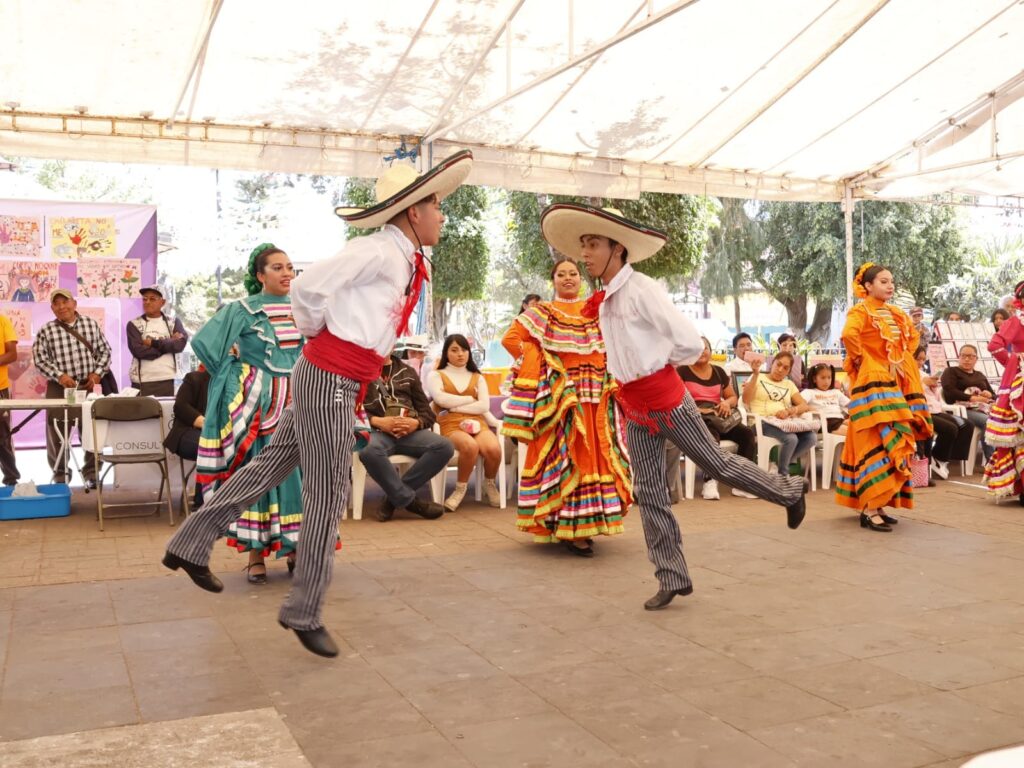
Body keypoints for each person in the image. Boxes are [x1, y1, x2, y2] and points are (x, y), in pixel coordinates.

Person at [163, 150, 474, 657]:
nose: (442, 215)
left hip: (335, 377)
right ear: (414, 211)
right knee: (327, 487)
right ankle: (303, 608)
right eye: (437, 205)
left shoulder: (401, 257)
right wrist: (314, 335)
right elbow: (308, 286)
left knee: (271, 466)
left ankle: (190, 542)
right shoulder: (378, 249)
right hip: (329, 374)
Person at [540, 203, 807, 611]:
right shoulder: (606, 297)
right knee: (648, 490)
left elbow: (688, 342)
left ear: (618, 248)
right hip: (633, 404)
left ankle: (788, 489)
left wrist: (660, 365)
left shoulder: (641, 289)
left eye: (592, 244)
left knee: (716, 464)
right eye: (584, 246)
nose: (585, 254)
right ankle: (671, 575)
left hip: (666, 399)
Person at [190, 244, 304, 584]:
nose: (286, 273)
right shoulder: (242, 309)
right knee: (259, 477)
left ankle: (297, 549)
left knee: (298, 477)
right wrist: (234, 374)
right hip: (260, 405)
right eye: (277, 267)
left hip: (299, 401)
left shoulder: (305, 306)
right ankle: (256, 556)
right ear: (260, 275)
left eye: (290, 267)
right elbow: (204, 344)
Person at [501, 258, 632, 556]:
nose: (568, 278)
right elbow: (511, 339)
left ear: (581, 279)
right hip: (563, 399)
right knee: (568, 456)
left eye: (573, 273)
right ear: (553, 280)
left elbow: (620, 340)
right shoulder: (542, 313)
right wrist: (544, 364)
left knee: (598, 455)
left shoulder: (597, 311)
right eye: (562, 274)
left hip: (597, 396)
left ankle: (588, 523)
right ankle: (566, 526)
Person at [836, 263, 933, 532]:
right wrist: (865, 361)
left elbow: (911, 340)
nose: (890, 286)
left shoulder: (896, 313)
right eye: (883, 281)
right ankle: (869, 508)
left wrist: (899, 362)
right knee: (872, 441)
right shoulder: (860, 311)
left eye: (891, 281)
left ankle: (878, 504)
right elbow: (848, 336)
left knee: (893, 440)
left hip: (896, 386)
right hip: (873, 387)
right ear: (867, 286)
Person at [31, 288, 111, 487]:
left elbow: (105, 352)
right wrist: (60, 376)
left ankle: (92, 473)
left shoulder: (91, 325)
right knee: (56, 430)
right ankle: (60, 475)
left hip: (88, 386)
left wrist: (97, 373)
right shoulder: (46, 330)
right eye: (56, 304)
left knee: (92, 428)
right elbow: (40, 359)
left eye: (65, 302)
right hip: (59, 387)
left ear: (74, 304)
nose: (61, 307)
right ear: (52, 308)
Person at [360, 347, 451, 521]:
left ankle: (393, 499)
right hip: (378, 432)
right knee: (369, 450)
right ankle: (411, 502)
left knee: (444, 446)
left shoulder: (407, 371)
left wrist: (415, 423)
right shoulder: (359, 372)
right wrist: (377, 421)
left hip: (409, 433)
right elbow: (350, 411)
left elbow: (427, 413)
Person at [427, 334, 502, 511]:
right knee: (470, 446)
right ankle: (460, 489)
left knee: (493, 448)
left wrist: (454, 407)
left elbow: (484, 405)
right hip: (449, 423)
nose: (460, 354)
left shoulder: (478, 376)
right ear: (446, 353)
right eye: (454, 350)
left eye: (464, 349)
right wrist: (470, 399)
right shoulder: (436, 375)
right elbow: (440, 399)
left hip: (477, 422)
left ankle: (489, 483)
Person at [677, 336, 756, 500]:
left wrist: (726, 403)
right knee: (711, 436)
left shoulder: (719, 372)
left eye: (705, 348)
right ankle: (710, 481)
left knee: (747, 434)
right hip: (694, 419)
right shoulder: (682, 371)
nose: (702, 352)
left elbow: (733, 397)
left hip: (719, 417)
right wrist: (699, 410)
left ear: (710, 352)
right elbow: (676, 400)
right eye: (697, 348)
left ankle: (741, 482)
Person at [742, 351, 817, 475]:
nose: (780, 369)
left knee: (811, 437)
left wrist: (790, 411)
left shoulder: (789, 384)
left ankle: (778, 465)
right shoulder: (758, 377)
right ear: (772, 363)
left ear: (789, 371)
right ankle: (783, 475)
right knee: (791, 439)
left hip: (783, 423)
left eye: (785, 368)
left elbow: (804, 405)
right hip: (761, 422)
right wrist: (755, 374)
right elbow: (745, 399)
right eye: (778, 364)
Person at [983, 281, 1024, 502]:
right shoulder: (1016, 321)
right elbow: (995, 345)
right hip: (1020, 384)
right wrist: (1015, 362)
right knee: (1019, 433)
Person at [913, 347, 973, 481]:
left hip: (935, 408)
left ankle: (946, 458)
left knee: (966, 424)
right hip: (920, 411)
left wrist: (933, 387)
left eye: (923, 359)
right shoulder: (907, 374)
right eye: (918, 359)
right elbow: (909, 391)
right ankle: (939, 457)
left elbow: (935, 397)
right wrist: (923, 384)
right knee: (950, 428)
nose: (921, 362)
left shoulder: (923, 373)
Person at [126, 284, 188, 397]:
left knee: (169, 414)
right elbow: (138, 351)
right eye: (144, 299)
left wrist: (152, 343)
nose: (147, 302)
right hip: (142, 382)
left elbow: (179, 345)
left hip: (170, 380)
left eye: (152, 299)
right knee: (144, 415)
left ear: (162, 302)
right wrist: (168, 344)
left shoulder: (173, 322)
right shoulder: (134, 324)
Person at [163, 367, 210, 507]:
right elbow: (180, 407)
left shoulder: (237, 381)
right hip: (187, 431)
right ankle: (202, 504)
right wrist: (208, 425)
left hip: (220, 434)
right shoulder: (194, 378)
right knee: (209, 446)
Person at [941, 344, 994, 462]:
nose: (966, 359)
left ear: (976, 359)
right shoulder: (951, 371)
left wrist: (988, 394)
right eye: (963, 356)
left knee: (1005, 419)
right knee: (988, 421)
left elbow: (993, 394)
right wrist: (972, 398)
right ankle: (992, 461)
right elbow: (949, 391)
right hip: (961, 409)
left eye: (970, 356)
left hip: (982, 408)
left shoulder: (980, 375)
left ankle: (1007, 458)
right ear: (958, 357)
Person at [800, 363, 850, 436]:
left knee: (861, 426)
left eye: (829, 378)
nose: (826, 381)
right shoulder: (809, 392)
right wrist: (809, 408)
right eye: (823, 378)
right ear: (814, 379)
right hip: (824, 422)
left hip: (839, 420)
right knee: (853, 433)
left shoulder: (836, 392)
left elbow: (851, 405)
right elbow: (799, 403)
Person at [0, 311, 20, 486]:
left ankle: (11, 480)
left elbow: (12, 354)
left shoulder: (3, 321)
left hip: (0, 389)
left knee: (3, 437)